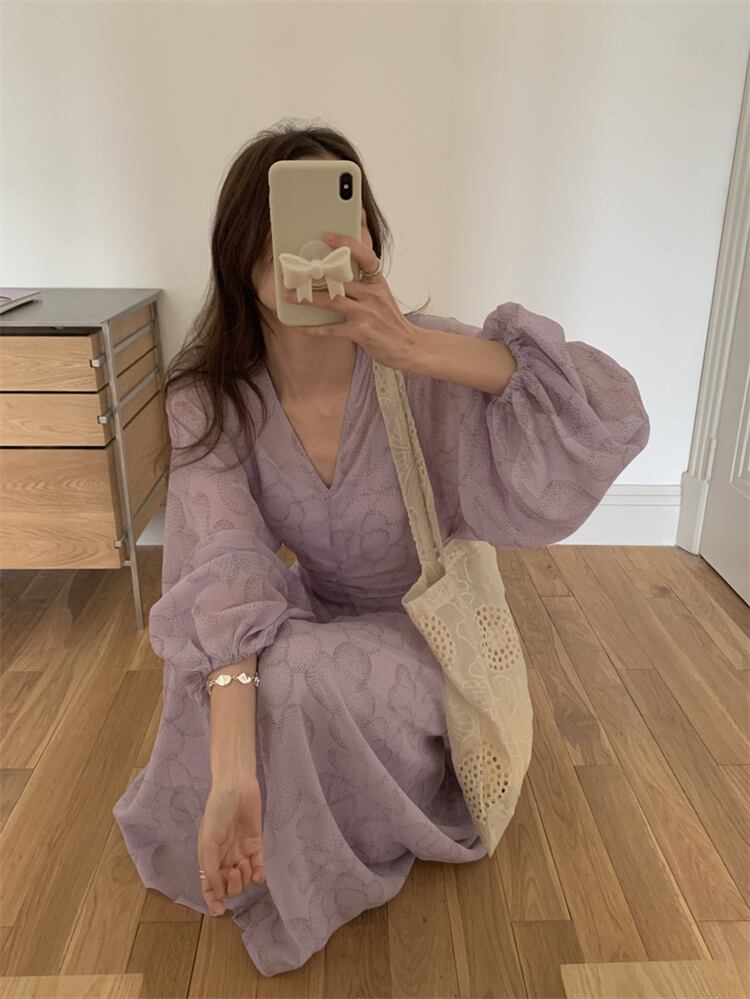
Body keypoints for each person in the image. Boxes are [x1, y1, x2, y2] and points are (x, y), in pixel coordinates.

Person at [112, 120, 651, 978]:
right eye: (284, 219)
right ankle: (257, 805)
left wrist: (414, 347)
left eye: (340, 211)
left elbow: (609, 412)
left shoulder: (424, 357)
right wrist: (231, 774)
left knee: (295, 678)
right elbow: (221, 565)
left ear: (368, 233)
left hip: (427, 637)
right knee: (218, 671)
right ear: (241, 249)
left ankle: (317, 827)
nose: (312, 241)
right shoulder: (212, 397)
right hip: (317, 615)